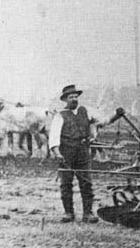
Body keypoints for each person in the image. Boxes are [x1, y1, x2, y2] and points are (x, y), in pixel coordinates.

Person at [48, 85, 120, 223]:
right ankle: (68, 213)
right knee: (66, 184)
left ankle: (88, 213)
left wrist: (116, 115)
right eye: (71, 97)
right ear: (65, 100)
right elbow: (54, 136)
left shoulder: (85, 111)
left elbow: (102, 121)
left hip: (82, 152)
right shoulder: (59, 115)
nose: (74, 99)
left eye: (75, 96)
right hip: (66, 152)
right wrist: (57, 153)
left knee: (86, 182)